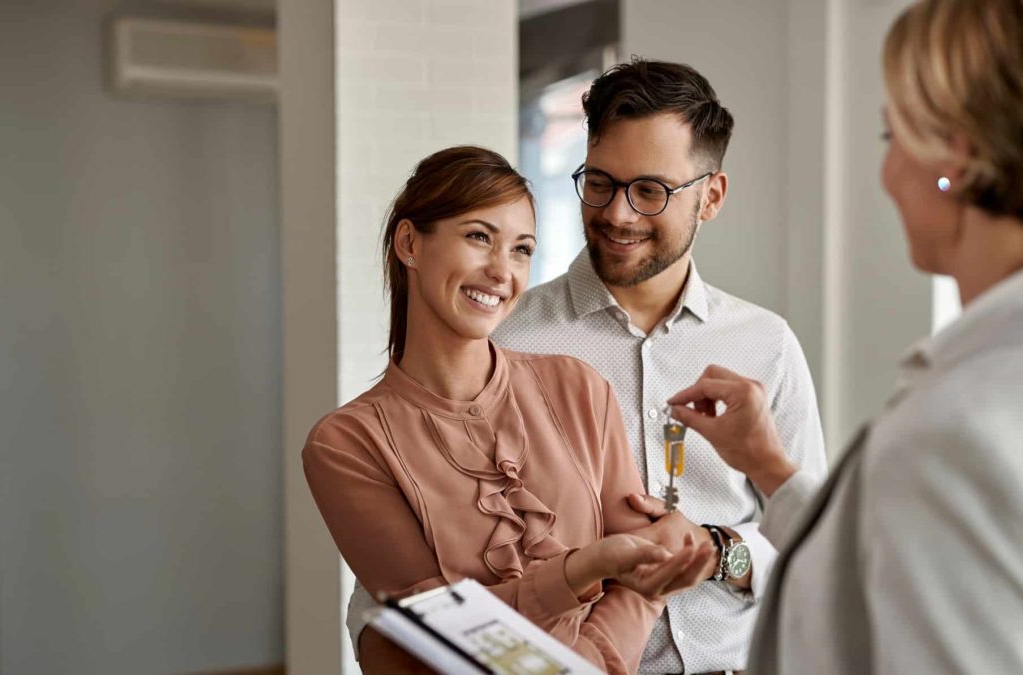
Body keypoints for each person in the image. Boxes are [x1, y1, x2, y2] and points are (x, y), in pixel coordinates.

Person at [667, 1, 1023, 673]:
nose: (887, 176)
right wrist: (770, 468)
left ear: (957, 158)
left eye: (892, 137)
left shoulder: (959, 437)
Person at [346, 59, 830, 674]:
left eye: (650, 191)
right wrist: (378, 633)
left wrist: (718, 551)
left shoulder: (767, 345)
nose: (619, 215)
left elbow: (811, 544)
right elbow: (411, 561)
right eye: (600, 183)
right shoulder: (507, 336)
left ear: (711, 197)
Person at [302, 146, 714, 674]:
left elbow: (644, 579)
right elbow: (438, 630)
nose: (502, 271)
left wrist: (588, 660)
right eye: (479, 237)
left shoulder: (579, 388)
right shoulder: (346, 445)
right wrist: (584, 568)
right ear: (409, 243)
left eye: (522, 250)